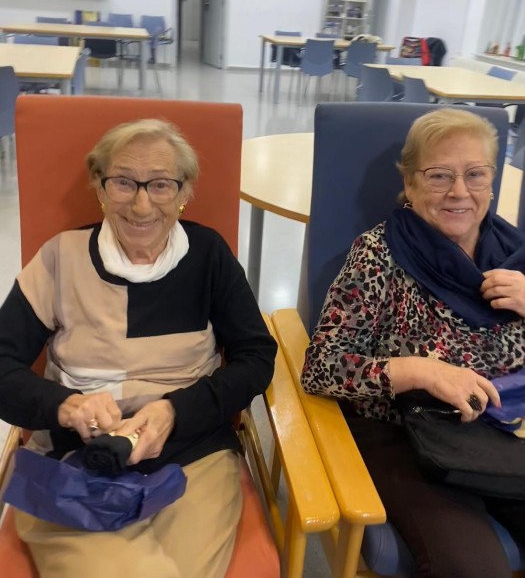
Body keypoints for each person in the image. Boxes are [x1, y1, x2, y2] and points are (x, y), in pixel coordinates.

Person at [0, 118, 276, 578]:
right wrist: (66, 405)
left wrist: (174, 411)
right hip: (76, 460)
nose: (142, 204)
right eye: (124, 182)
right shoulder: (60, 257)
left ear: (184, 191)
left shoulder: (208, 255)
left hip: (194, 453)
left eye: (161, 184)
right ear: (100, 186)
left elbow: (256, 358)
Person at [301, 108, 525, 578]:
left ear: (492, 181)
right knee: (473, 568)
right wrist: (422, 371)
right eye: (439, 175)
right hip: (406, 433)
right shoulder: (379, 254)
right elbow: (322, 366)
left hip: (507, 428)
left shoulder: (514, 255)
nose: (459, 191)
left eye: (475, 174)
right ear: (410, 182)